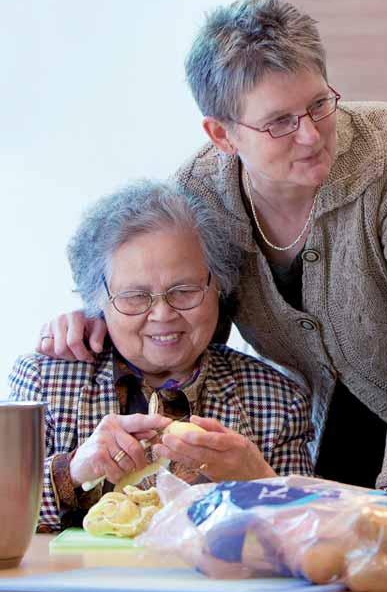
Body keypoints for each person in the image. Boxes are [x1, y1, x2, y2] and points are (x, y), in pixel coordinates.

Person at [36, 0, 387, 497]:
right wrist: (95, 319)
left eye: (319, 105)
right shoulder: (198, 194)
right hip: (348, 410)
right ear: (222, 134)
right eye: (279, 121)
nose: (310, 136)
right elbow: (180, 307)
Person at [13, 181, 314, 532]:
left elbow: (308, 536)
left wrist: (259, 478)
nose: (162, 314)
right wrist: (73, 470)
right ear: (98, 301)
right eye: (136, 296)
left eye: (184, 291)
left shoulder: (277, 400)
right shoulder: (46, 379)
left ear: (218, 285)